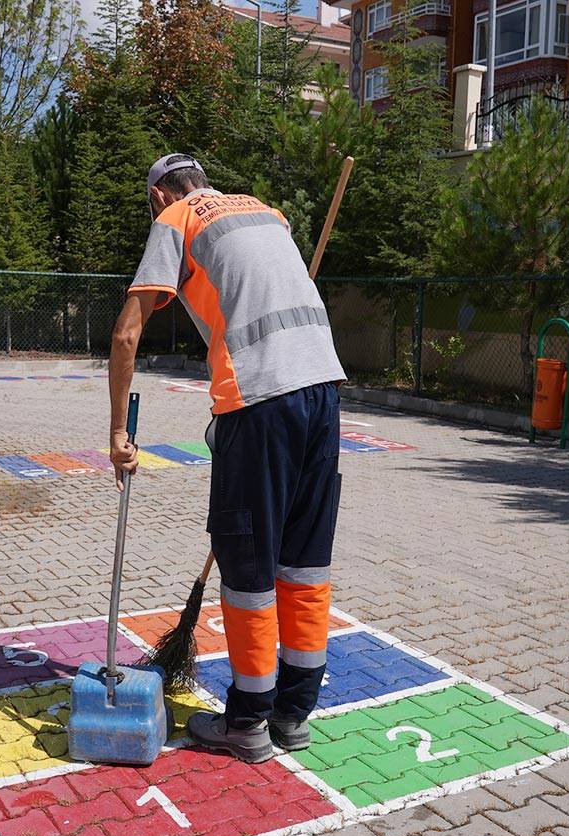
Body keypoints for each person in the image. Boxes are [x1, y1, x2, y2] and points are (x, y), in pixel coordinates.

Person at [108, 153, 346, 763]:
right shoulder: (265, 211)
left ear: (159, 196)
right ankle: (294, 715)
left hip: (258, 400)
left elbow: (127, 333)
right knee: (303, 561)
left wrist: (117, 433)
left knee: (248, 562)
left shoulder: (177, 218)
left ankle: (247, 722)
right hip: (322, 389)